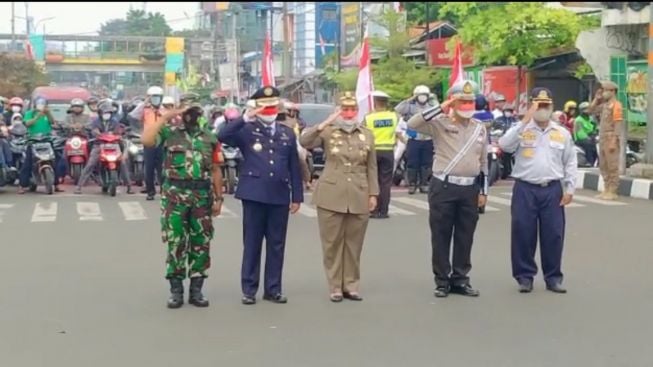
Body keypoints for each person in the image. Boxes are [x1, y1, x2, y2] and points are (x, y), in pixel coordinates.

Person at [217, 86, 303, 305]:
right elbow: (222, 136)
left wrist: (297, 196)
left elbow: (294, 165)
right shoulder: (247, 129)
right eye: (264, 107)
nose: (269, 110)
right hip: (254, 194)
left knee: (277, 244)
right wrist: (245, 118)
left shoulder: (286, 132)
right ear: (257, 108)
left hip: (279, 194)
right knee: (252, 243)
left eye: (273, 106)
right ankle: (249, 289)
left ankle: (273, 288)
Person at [407, 80, 488, 298]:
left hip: (469, 188)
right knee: (441, 235)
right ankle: (442, 280)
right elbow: (412, 124)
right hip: (444, 186)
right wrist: (441, 107)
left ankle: (460, 279)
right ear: (453, 102)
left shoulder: (479, 128)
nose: (468, 104)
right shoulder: (439, 123)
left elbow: (484, 162)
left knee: (465, 236)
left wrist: (484, 191)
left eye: (470, 101)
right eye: (463, 100)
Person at [142, 102, 224, 309]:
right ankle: (176, 291)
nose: (191, 115)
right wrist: (164, 117)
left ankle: (196, 290)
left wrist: (219, 198)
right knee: (175, 241)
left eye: (195, 111)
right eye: (187, 111)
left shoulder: (210, 138)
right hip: (174, 196)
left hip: (201, 197)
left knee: (201, 242)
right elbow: (147, 140)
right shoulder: (169, 134)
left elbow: (215, 169)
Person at [299, 92, 379, 302]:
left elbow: (372, 166)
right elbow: (305, 141)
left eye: (352, 109)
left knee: (354, 244)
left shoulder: (367, 134)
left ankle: (351, 285)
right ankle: (335, 286)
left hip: (359, 192)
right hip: (331, 193)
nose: (349, 114)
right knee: (332, 243)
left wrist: (373, 193)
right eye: (344, 109)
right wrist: (326, 122)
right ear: (338, 111)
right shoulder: (328, 132)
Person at [498, 87, 577, 294]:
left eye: (546, 105)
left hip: (552, 189)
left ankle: (553, 278)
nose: (542, 109)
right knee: (523, 232)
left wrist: (569, 188)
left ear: (552, 106)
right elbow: (504, 146)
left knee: (554, 234)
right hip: (525, 188)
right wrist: (525, 120)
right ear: (532, 105)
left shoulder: (561, 132)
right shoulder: (521, 129)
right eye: (538, 105)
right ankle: (524, 276)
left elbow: (570, 161)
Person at [74, 101, 133, 195]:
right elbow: (94, 131)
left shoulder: (114, 121)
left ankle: (129, 186)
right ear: (100, 113)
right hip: (99, 145)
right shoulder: (96, 122)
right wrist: (97, 133)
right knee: (90, 163)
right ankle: (79, 186)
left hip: (114, 145)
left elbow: (118, 131)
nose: (107, 114)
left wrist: (119, 134)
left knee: (123, 163)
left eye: (109, 113)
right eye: (105, 112)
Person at [364, 90, 400, 219]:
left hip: (373, 152)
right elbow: (399, 131)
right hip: (388, 151)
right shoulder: (394, 116)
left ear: (375, 103)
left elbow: (364, 134)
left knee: (373, 180)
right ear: (386, 103)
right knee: (385, 182)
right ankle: (384, 211)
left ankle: (374, 210)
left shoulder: (368, 117)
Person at [395, 85, 436, 194]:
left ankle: (424, 184)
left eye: (425, 95)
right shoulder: (410, 106)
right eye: (420, 95)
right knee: (412, 163)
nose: (422, 98)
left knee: (426, 163)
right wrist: (410, 99)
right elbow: (398, 109)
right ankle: (412, 184)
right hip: (413, 138)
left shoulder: (431, 106)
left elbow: (438, 114)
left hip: (427, 138)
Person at [18, 97, 64, 194]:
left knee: (55, 160)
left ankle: (56, 184)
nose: (41, 105)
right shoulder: (29, 113)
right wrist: (37, 116)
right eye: (39, 104)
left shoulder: (47, 114)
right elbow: (27, 124)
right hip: (33, 141)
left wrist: (48, 113)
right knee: (28, 163)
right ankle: (22, 185)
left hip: (47, 140)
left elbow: (52, 122)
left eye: (43, 104)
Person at [129, 86, 165, 200]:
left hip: (162, 141)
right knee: (148, 168)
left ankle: (164, 191)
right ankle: (150, 191)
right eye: (153, 97)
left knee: (163, 168)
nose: (155, 100)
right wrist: (144, 103)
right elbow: (133, 116)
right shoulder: (145, 109)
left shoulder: (164, 109)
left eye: (157, 97)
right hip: (149, 141)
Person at [590, 81, 623, 200]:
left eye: (605, 90)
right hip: (602, 137)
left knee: (612, 165)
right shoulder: (604, 105)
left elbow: (618, 124)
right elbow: (590, 110)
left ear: (612, 91)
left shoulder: (616, 105)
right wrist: (596, 99)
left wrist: (614, 140)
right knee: (603, 165)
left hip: (610, 137)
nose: (603, 93)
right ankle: (606, 188)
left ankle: (613, 190)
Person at [280, 100, 311, 189]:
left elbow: (303, 127)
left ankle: (307, 180)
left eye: (294, 111)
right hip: (282, 141)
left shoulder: (299, 121)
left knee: (301, 159)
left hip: (296, 141)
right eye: (290, 110)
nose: (292, 112)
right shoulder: (281, 120)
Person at [573, 102, 598, 167]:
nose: (588, 111)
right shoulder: (578, 120)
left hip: (591, 136)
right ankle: (589, 162)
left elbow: (595, 128)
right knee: (588, 144)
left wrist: (596, 132)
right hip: (581, 139)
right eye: (586, 109)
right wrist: (588, 138)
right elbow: (580, 133)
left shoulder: (591, 119)